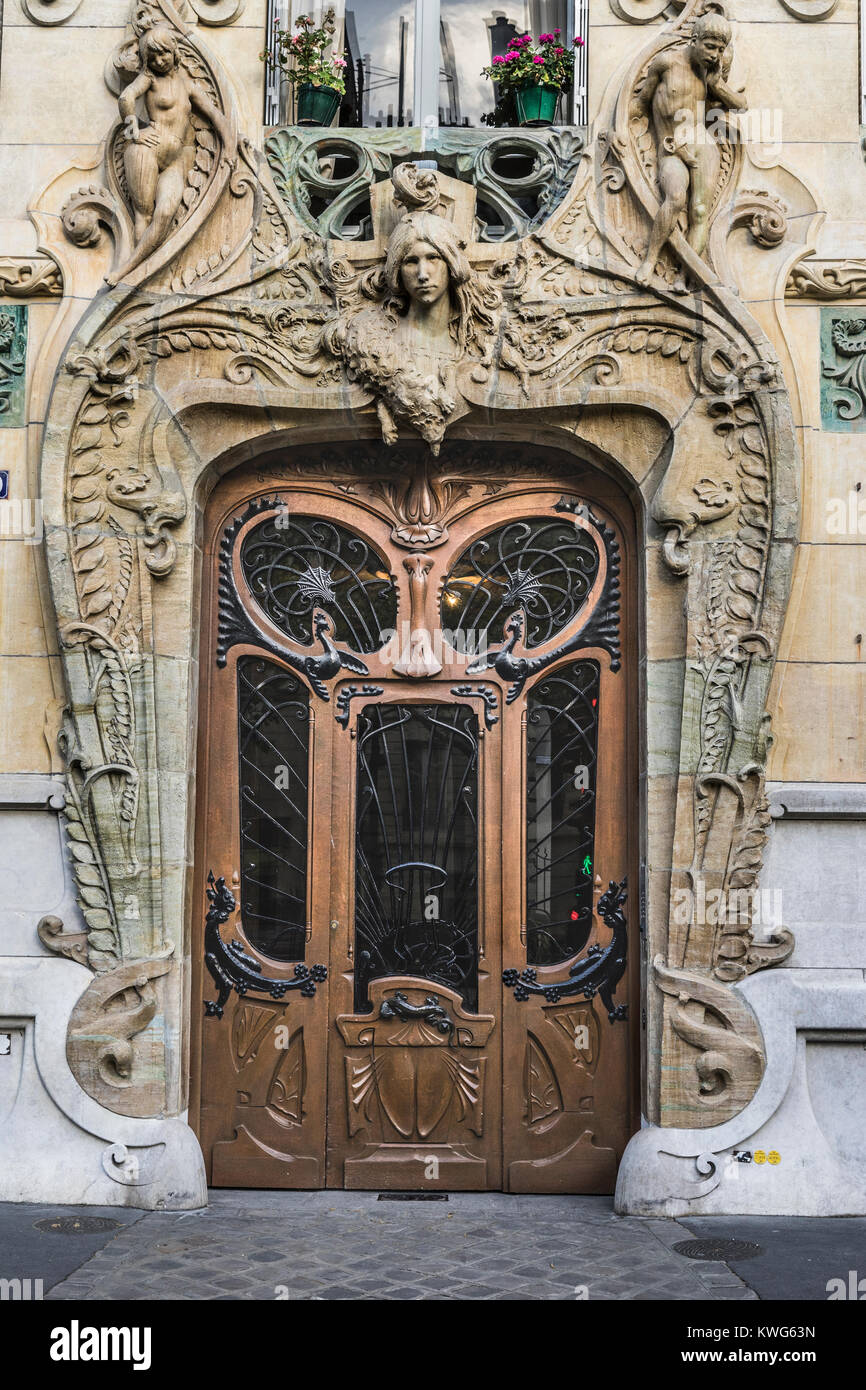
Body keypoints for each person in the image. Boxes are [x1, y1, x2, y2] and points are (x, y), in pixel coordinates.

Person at [107, 25, 236, 286]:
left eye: (163, 54)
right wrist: (134, 127)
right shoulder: (149, 79)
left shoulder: (187, 85)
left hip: (175, 160)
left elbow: (215, 115)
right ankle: (133, 277)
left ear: (173, 52)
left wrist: (231, 149)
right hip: (146, 149)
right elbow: (126, 97)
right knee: (143, 215)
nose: (158, 60)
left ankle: (129, 270)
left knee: (165, 212)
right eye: (152, 56)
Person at [634, 14, 747, 290]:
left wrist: (717, 85)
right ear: (694, 40)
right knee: (673, 198)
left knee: (699, 212)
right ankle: (649, 261)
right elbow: (640, 104)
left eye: (720, 50)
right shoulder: (665, 64)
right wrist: (617, 135)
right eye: (709, 46)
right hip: (672, 147)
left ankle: (686, 276)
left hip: (702, 146)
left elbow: (741, 104)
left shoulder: (710, 74)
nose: (714, 55)